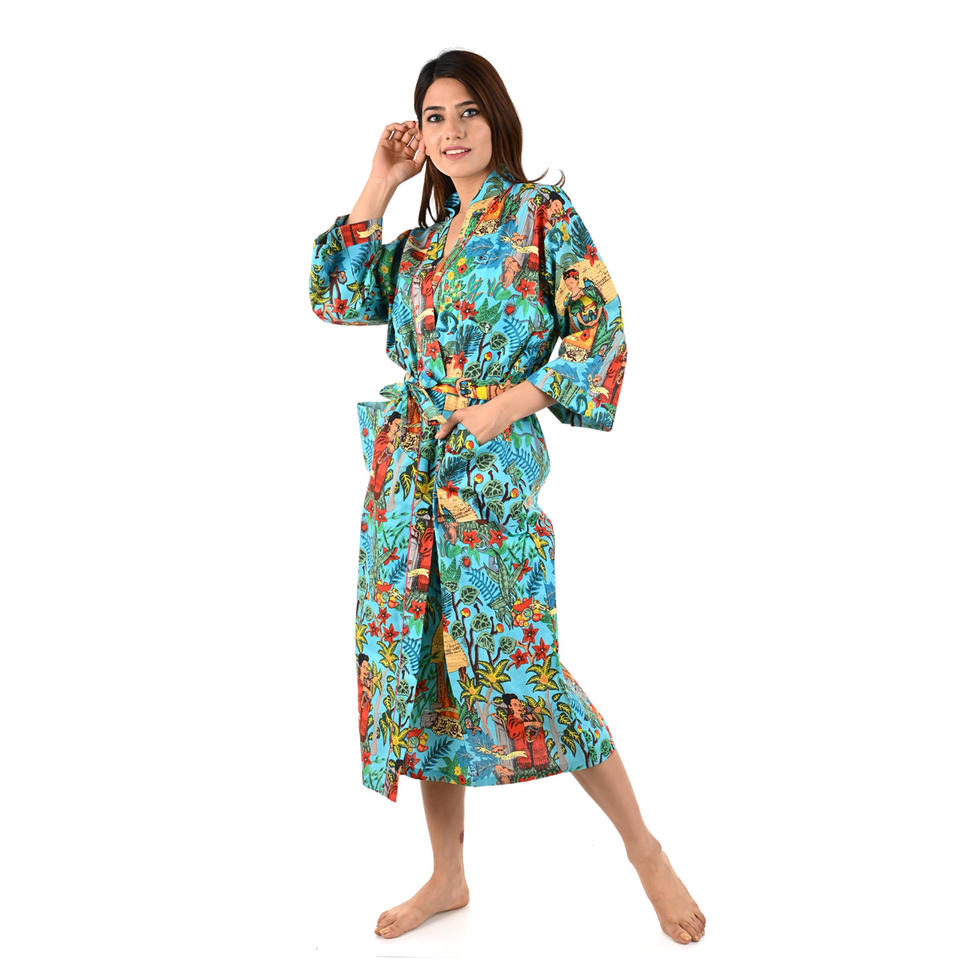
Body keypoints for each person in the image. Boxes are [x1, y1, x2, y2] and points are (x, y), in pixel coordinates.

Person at [309, 49, 705, 946]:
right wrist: (380, 181)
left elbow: (600, 327)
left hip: (486, 476)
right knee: (420, 668)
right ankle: (448, 874)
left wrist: (509, 405)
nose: (451, 131)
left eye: (467, 112)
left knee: (525, 667)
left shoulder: (540, 215)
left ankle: (644, 850)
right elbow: (334, 297)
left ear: (497, 117)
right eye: (434, 116)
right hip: (405, 484)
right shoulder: (420, 245)